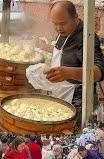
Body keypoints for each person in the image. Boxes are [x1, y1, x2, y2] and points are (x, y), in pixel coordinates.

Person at [33, 0, 104, 129]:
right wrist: (44, 47)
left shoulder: (86, 37)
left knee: (73, 131)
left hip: (78, 99)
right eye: (55, 24)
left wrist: (68, 73)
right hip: (61, 91)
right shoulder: (64, 32)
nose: (59, 28)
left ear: (76, 17)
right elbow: (64, 51)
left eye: (63, 23)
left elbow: (99, 72)